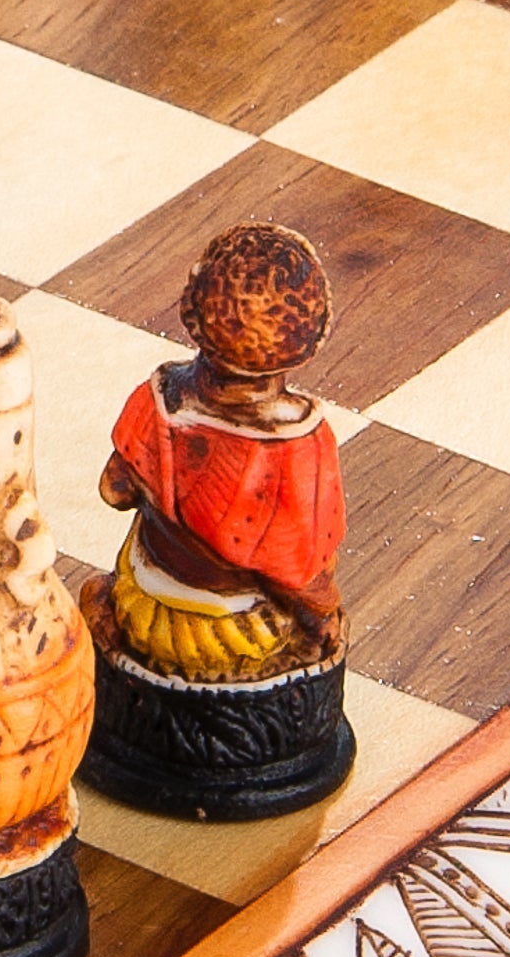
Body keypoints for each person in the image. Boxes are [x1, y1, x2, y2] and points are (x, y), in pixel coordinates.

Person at [78, 224, 358, 822]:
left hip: (142, 601)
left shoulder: (158, 397)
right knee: (309, 627)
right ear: (312, 341)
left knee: (123, 576)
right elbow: (300, 571)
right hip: (237, 631)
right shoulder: (300, 443)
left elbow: (113, 489)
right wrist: (324, 615)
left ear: (190, 310)